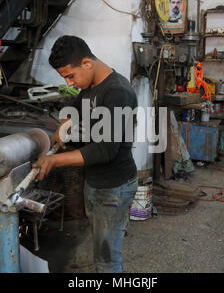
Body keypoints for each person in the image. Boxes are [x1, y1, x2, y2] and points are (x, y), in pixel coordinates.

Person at [32, 35, 138, 273]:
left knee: (107, 260)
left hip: (114, 187)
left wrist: (54, 159)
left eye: (70, 76)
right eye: (64, 78)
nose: (69, 83)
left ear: (87, 63)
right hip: (96, 183)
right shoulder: (90, 87)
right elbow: (76, 111)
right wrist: (65, 124)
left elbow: (105, 149)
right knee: (101, 251)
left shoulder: (117, 92)